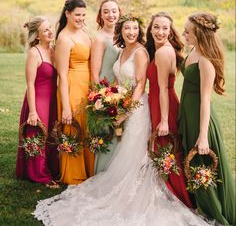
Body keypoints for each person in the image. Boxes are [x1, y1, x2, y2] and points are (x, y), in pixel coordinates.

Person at [34, 14, 209, 226]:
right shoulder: (122, 51)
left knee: (136, 154)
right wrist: (108, 99)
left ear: (140, 30)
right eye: (127, 28)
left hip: (137, 108)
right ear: (121, 30)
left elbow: (141, 84)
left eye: (135, 28)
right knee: (125, 152)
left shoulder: (142, 52)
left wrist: (126, 111)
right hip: (123, 104)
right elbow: (118, 80)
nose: (131, 32)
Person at [179, 12, 235, 225]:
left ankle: (215, 213)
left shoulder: (206, 62)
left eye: (187, 32)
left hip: (199, 119)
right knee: (191, 165)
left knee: (201, 166)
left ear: (200, 34)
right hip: (187, 114)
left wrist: (203, 136)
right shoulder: (193, 50)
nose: (183, 34)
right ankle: (202, 206)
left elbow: (205, 101)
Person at [146, 12, 193, 208]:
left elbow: (164, 88)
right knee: (165, 150)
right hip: (159, 101)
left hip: (163, 105)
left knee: (166, 149)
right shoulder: (160, 49)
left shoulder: (163, 52)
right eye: (156, 27)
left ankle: (177, 194)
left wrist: (164, 120)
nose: (160, 31)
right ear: (150, 29)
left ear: (170, 30)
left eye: (165, 28)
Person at [55, 0, 94, 185]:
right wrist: (66, 107)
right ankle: (74, 174)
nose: (81, 18)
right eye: (77, 15)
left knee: (87, 128)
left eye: (83, 15)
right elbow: (61, 75)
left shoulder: (83, 32)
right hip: (71, 87)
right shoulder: (64, 38)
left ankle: (89, 169)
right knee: (74, 127)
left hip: (86, 86)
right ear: (67, 14)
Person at [16, 16, 59, 187]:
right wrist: (32, 111)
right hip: (38, 100)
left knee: (52, 135)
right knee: (38, 134)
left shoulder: (54, 49)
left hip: (53, 100)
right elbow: (30, 85)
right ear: (37, 35)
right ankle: (39, 174)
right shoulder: (35, 53)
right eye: (45, 30)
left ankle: (51, 168)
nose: (50, 32)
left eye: (50, 28)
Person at [91, 0, 121, 174]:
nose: (111, 15)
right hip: (105, 91)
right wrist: (100, 98)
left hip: (120, 90)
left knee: (120, 132)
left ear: (119, 12)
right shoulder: (100, 38)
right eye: (106, 11)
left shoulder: (122, 34)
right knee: (107, 133)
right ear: (101, 15)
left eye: (114, 11)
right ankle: (103, 173)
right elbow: (95, 72)